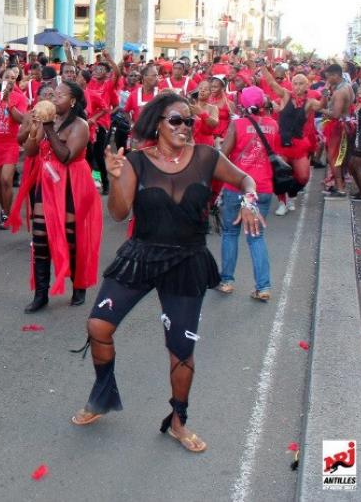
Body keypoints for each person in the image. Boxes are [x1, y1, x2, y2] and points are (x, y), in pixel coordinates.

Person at [71, 93, 261, 457]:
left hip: (187, 262)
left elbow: (246, 179)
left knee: (181, 351)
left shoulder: (206, 157)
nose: (184, 127)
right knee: (98, 325)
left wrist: (249, 201)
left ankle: (178, 421)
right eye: (176, 120)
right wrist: (114, 179)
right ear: (157, 122)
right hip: (142, 255)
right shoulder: (137, 161)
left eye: (189, 121)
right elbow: (119, 213)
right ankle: (102, 395)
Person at [8, 81, 102, 311]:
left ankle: (78, 286)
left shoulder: (80, 125)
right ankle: (41, 295)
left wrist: (48, 127)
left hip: (72, 183)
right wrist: (33, 129)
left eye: (60, 95)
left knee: (70, 239)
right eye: (53, 95)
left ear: (73, 101)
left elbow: (66, 157)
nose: (54, 98)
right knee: (40, 238)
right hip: (47, 182)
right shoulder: (47, 121)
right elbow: (30, 152)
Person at [218, 86, 277, 301]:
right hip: (263, 188)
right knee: (256, 237)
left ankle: (226, 282)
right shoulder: (273, 125)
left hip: (236, 187)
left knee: (230, 233)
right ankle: (263, 287)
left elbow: (222, 156)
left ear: (242, 104)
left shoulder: (237, 124)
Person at [260, 65, 320, 214]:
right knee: (279, 174)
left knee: (303, 177)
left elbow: (322, 106)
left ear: (307, 85)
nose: (297, 86)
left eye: (301, 83)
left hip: (299, 143)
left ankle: (291, 195)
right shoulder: (286, 95)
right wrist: (262, 67)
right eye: (295, 83)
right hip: (281, 141)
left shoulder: (310, 101)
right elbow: (272, 83)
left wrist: (327, 97)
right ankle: (282, 202)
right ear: (291, 84)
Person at [0, 67, 27, 228]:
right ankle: (4, 209)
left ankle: (7, 213)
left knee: (6, 179)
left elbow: (21, 119)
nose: (10, 80)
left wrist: (9, 103)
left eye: (13, 78)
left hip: (11, 143)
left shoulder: (20, 98)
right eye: (7, 77)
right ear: (0, 80)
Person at [86, 50, 121, 195]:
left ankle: (105, 183)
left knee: (98, 154)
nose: (97, 71)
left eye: (101, 69)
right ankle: (89, 181)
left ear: (107, 74)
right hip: (87, 123)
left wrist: (109, 58)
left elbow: (117, 73)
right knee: (88, 153)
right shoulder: (90, 83)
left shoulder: (108, 85)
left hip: (101, 124)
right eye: (96, 68)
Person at [318, 64, 355, 197]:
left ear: (336, 75)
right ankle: (338, 185)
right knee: (339, 157)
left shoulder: (340, 92)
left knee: (333, 158)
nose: (327, 80)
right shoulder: (347, 86)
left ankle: (340, 188)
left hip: (338, 127)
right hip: (345, 124)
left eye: (328, 77)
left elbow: (335, 115)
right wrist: (326, 92)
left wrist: (320, 109)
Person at [349, 80, 361, 199]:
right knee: (352, 165)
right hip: (356, 138)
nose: (359, 91)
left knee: (356, 164)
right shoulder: (359, 102)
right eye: (360, 88)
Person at [190, 81, 219, 147]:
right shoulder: (191, 106)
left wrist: (201, 113)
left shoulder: (213, 108)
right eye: (200, 88)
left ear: (210, 93)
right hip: (191, 143)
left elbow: (214, 123)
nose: (202, 90)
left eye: (206, 89)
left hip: (206, 145)